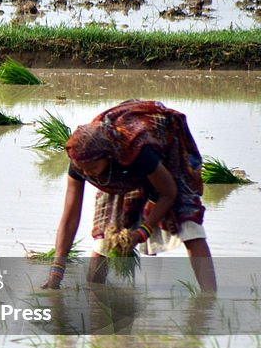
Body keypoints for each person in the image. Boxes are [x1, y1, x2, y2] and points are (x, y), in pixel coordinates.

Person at [43, 100, 216, 291]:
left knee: (189, 227)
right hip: (119, 174)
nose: (88, 173)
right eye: (83, 170)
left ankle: (210, 298)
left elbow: (168, 192)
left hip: (167, 160)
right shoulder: (81, 163)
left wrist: (142, 231)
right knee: (105, 240)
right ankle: (96, 299)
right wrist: (56, 273)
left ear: (107, 157)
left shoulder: (139, 152)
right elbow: (69, 218)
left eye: (92, 168)